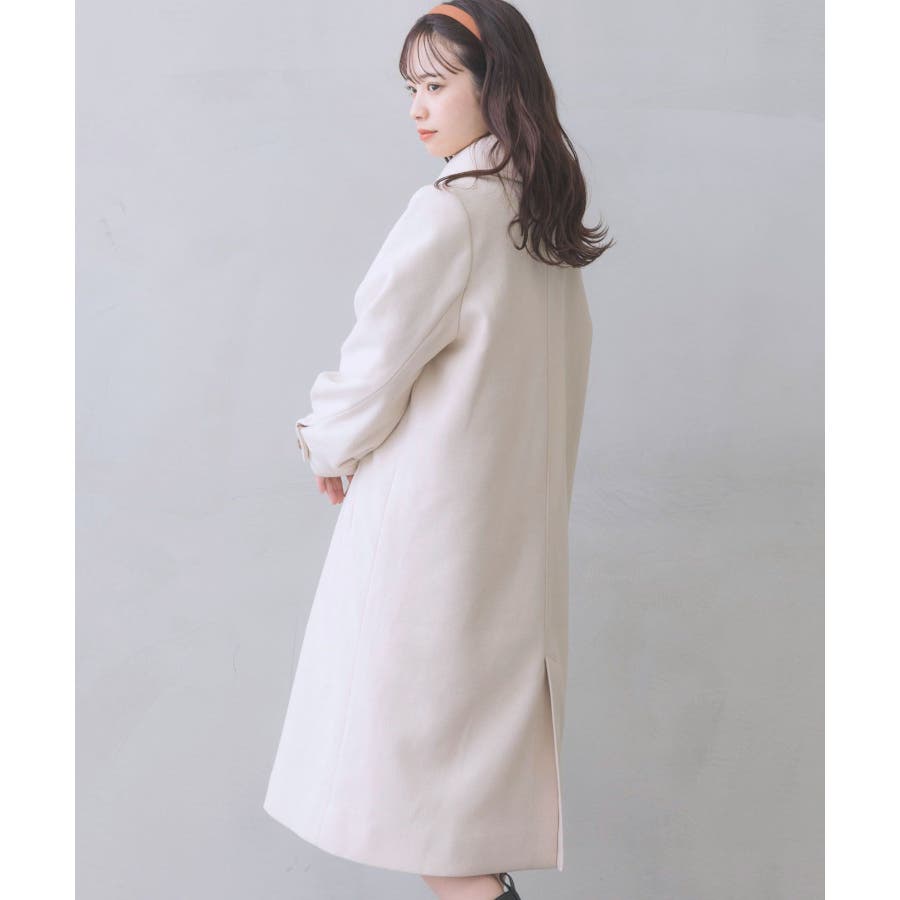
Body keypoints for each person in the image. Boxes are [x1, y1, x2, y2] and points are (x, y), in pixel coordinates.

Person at [263, 3, 614, 898]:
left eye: (437, 83)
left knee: (440, 831)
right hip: (512, 562)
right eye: (411, 88)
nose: (418, 107)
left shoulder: (450, 214)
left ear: (496, 86)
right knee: (457, 826)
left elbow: (369, 372)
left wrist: (324, 446)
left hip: (432, 565)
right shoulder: (543, 225)